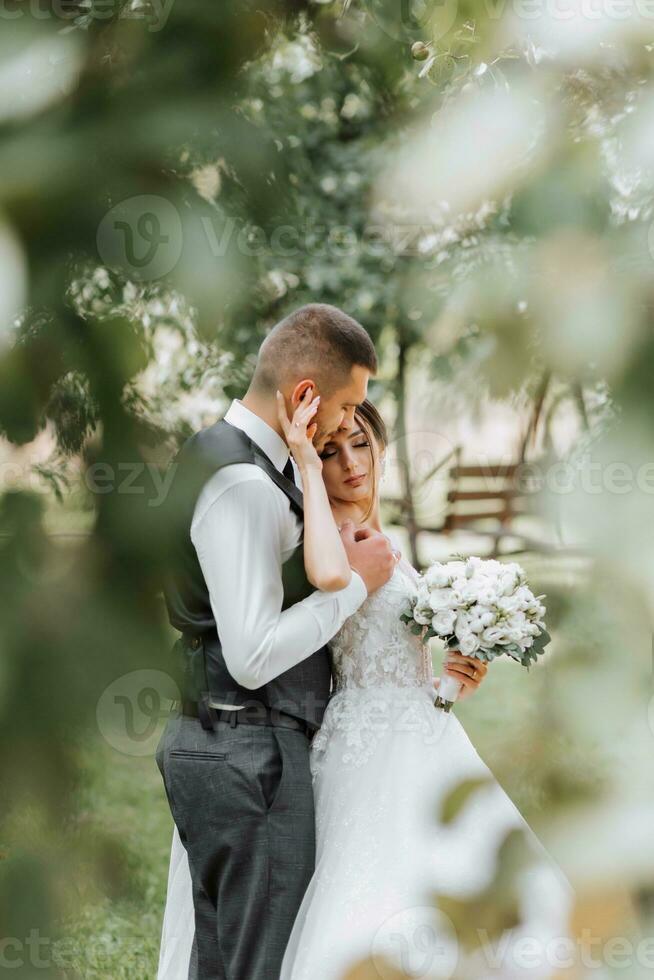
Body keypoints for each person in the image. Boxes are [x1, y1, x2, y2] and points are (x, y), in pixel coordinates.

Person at [156, 301, 491, 980]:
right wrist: (355, 588)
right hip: (248, 746)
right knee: (256, 960)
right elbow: (251, 655)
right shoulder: (246, 483)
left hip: (261, 740)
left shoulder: (247, 466)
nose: (348, 427)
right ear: (307, 395)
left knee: (233, 958)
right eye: (347, 408)